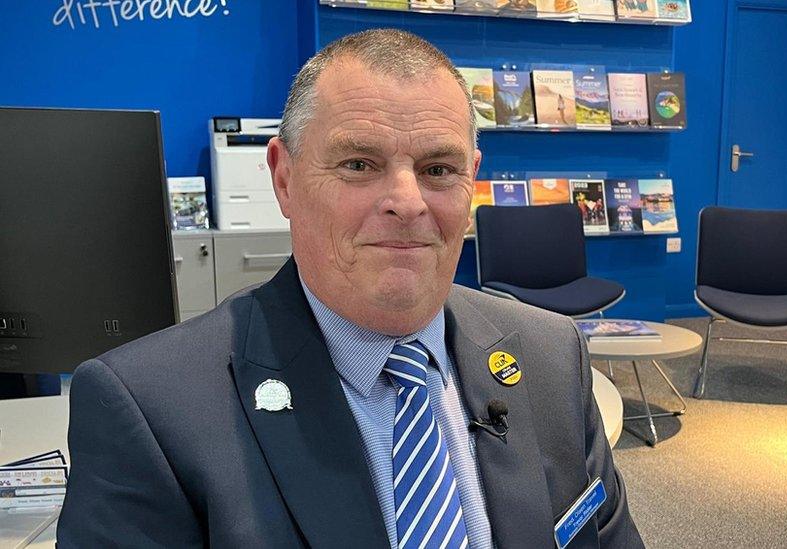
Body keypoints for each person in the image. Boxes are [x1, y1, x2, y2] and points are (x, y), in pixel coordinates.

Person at [58, 29, 643, 548]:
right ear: (283, 178)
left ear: (473, 181)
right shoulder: (149, 410)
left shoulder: (551, 356)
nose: (409, 203)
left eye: (439, 169)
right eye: (359, 164)